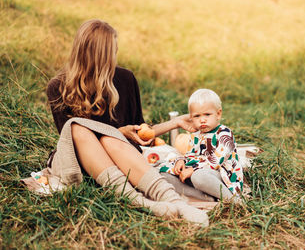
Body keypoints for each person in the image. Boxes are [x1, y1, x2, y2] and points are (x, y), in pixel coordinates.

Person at [46, 19, 208, 226]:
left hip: (122, 158)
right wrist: (117, 131)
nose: (115, 57)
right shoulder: (59, 87)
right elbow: (71, 141)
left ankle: (175, 201)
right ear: (101, 55)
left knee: (110, 140)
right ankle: (140, 202)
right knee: (78, 127)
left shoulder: (125, 79)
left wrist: (175, 123)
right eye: (113, 51)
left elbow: (141, 133)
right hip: (83, 164)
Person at [158, 89, 244, 201]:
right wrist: (181, 161)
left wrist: (193, 169)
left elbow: (216, 160)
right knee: (164, 173)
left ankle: (232, 200)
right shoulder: (196, 135)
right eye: (197, 116)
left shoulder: (224, 133)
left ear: (218, 114)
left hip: (221, 176)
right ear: (191, 118)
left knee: (199, 177)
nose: (202, 120)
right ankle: (204, 197)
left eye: (207, 114)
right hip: (197, 171)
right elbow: (191, 154)